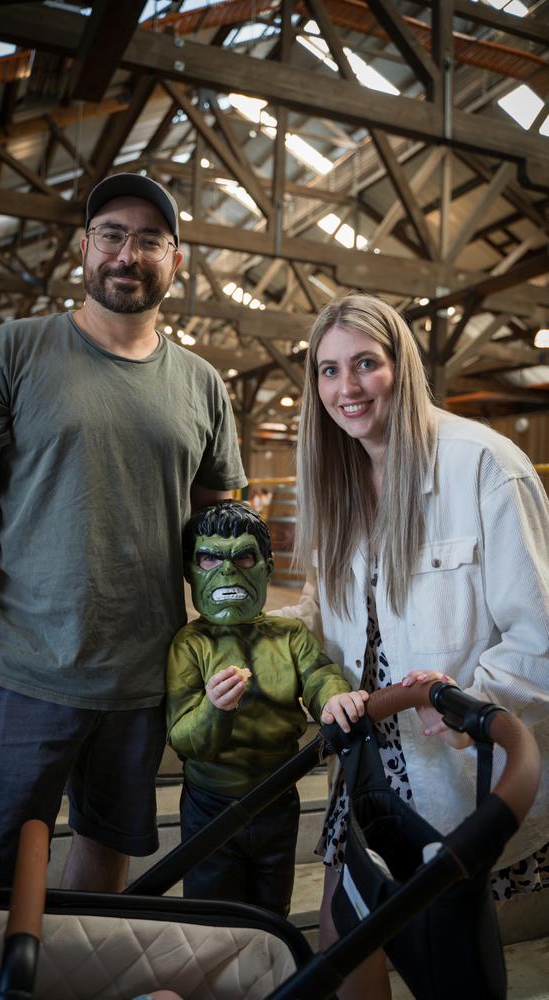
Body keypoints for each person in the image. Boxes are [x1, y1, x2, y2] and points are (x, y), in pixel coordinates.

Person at [0, 172, 247, 891]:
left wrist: (235, 646)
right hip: (23, 678)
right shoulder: (15, 352)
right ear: (83, 248)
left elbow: (223, 540)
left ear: (176, 262)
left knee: (104, 858)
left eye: (151, 241)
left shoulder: (201, 385)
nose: (128, 255)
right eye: (113, 235)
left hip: (143, 683)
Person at [280, 292, 549, 998]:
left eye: (366, 364)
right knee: (343, 939)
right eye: (329, 371)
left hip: (452, 777)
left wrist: (470, 698)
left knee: (450, 963)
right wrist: (253, 640)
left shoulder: (484, 467)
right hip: (362, 757)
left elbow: (540, 636)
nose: (348, 388)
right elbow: (323, 606)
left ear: (401, 366)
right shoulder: (335, 478)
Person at [166, 500, 366, 917]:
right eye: (209, 558)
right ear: (190, 571)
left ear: (267, 567)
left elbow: (318, 674)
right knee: (210, 913)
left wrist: (332, 697)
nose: (228, 571)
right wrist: (214, 710)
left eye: (242, 556)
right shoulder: (191, 644)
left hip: (276, 798)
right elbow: (183, 735)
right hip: (210, 803)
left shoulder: (289, 636)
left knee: (272, 908)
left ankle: (269, 979)